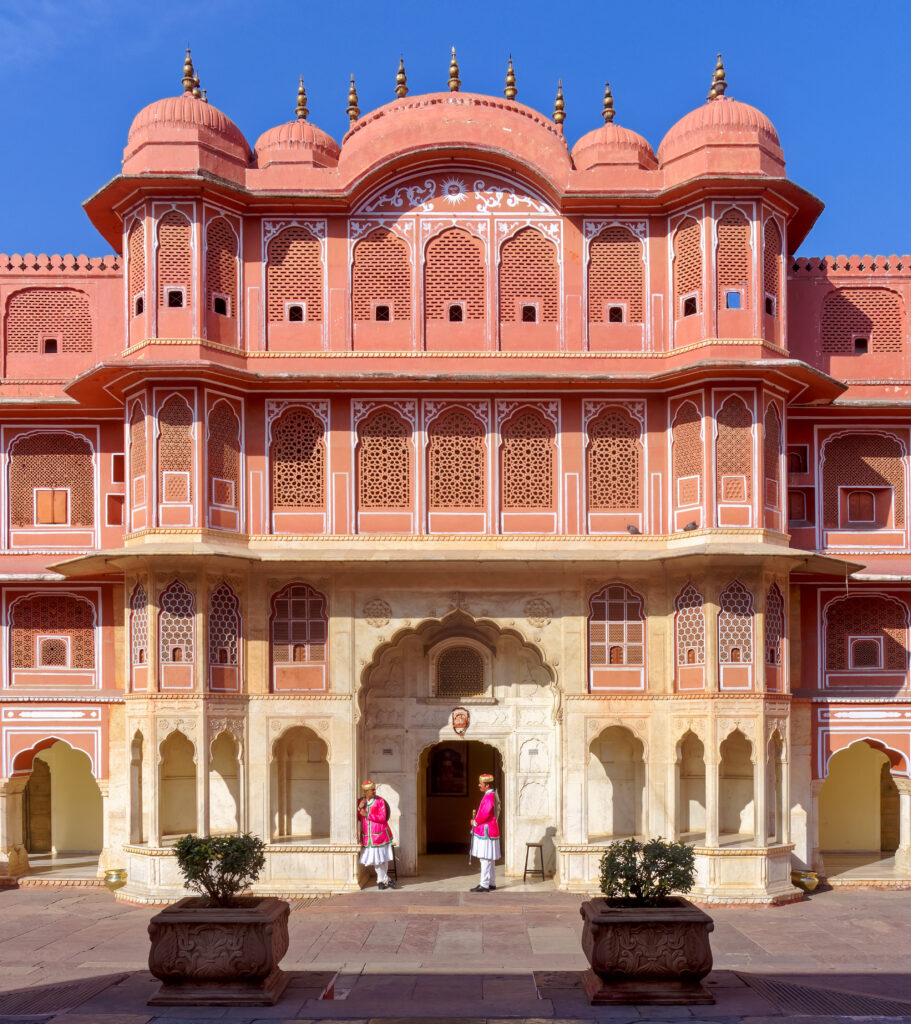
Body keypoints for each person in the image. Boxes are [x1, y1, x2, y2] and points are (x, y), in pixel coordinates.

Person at [357, 780, 396, 890]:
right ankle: (386, 880)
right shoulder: (361, 801)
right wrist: (360, 808)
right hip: (368, 837)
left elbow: (382, 818)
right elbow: (358, 817)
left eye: (374, 789)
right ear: (366, 791)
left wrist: (367, 814)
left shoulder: (380, 801)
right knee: (376, 860)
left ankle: (380, 881)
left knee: (383, 859)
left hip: (380, 835)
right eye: (372, 790)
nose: (374, 791)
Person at [469, 772, 500, 893]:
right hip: (491, 829)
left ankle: (484, 884)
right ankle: (491, 882)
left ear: (487, 785)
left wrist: (475, 822)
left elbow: (485, 813)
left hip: (486, 830)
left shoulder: (489, 796)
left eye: (481, 784)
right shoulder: (492, 795)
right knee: (490, 858)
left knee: (485, 858)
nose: (479, 785)